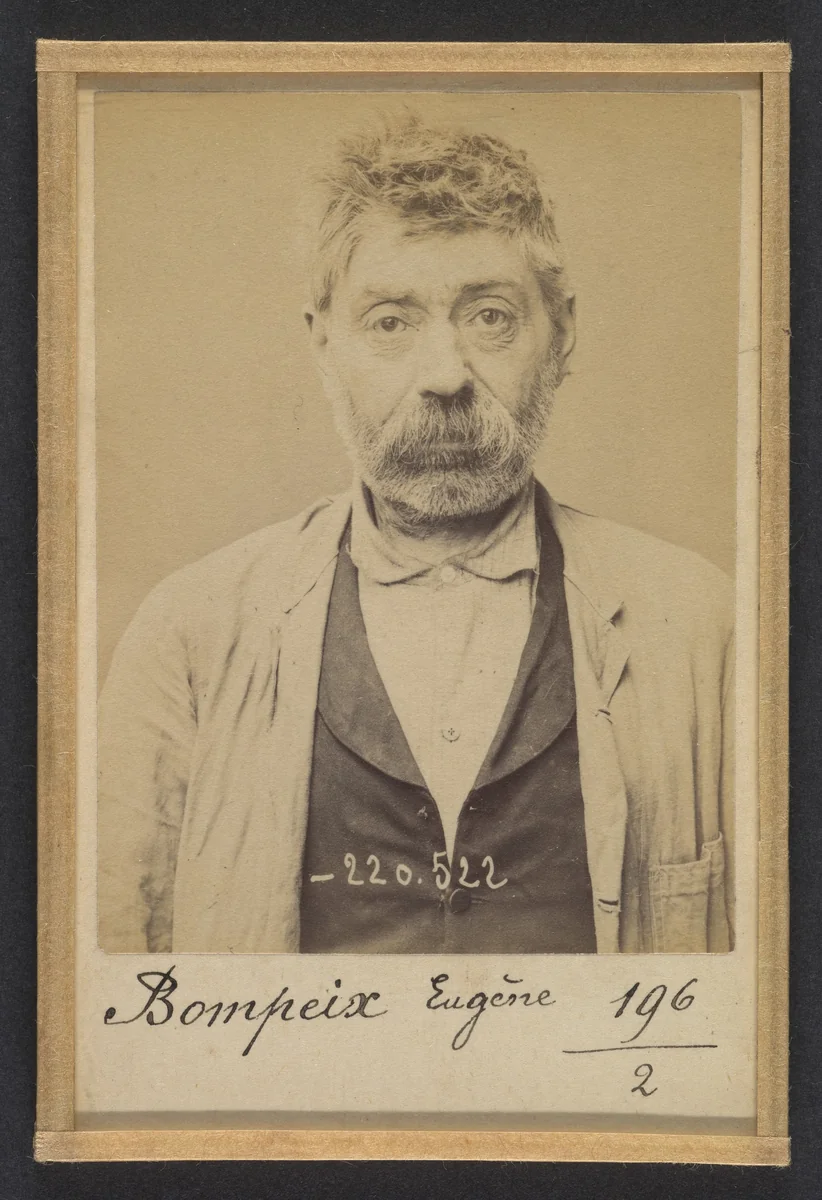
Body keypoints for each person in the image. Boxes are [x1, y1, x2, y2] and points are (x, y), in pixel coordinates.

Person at [98, 116, 734, 956]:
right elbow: (103, 988)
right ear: (323, 343)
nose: (445, 376)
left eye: (491, 318)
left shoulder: (703, 627)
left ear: (563, 331)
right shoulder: (189, 634)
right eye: (391, 323)